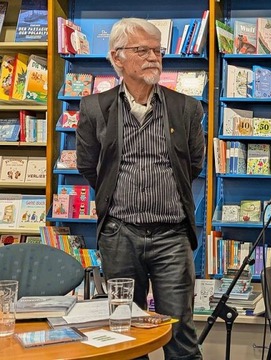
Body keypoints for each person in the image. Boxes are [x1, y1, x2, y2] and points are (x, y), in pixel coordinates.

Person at [76, 18, 204, 360]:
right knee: (125, 333)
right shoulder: (94, 108)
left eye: (157, 50)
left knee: (180, 332)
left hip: (171, 237)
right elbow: (89, 166)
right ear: (117, 58)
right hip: (119, 236)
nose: (153, 57)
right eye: (142, 50)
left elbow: (193, 165)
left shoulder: (186, 108)